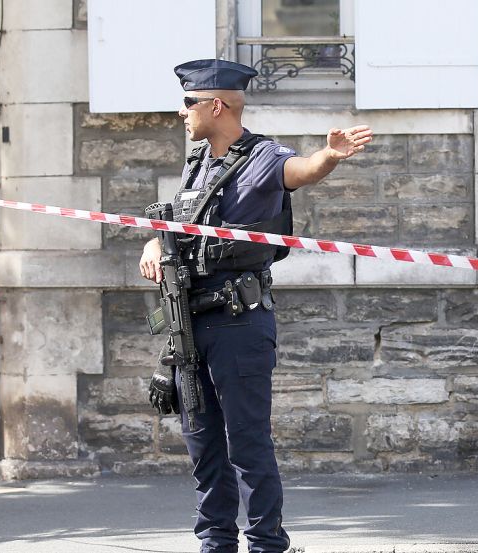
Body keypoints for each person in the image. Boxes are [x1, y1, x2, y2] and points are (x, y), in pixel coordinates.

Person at [138, 58, 372, 553]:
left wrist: (329, 157)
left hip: (238, 325)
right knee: (203, 444)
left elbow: (301, 171)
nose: (182, 113)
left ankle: (266, 543)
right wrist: (155, 244)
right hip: (191, 326)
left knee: (246, 443)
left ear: (215, 104)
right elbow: (181, 226)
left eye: (188, 103)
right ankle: (215, 542)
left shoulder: (263, 157)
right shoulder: (198, 164)